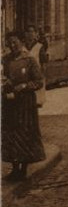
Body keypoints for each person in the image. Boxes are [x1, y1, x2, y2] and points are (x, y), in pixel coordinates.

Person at [2, 31, 46, 181]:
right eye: (9, 43)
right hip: (9, 103)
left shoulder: (29, 60)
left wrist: (25, 86)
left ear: (21, 42)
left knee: (25, 135)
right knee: (11, 135)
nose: (12, 46)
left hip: (26, 105)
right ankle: (14, 169)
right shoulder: (5, 60)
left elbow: (39, 81)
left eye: (15, 42)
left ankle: (23, 169)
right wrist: (5, 82)